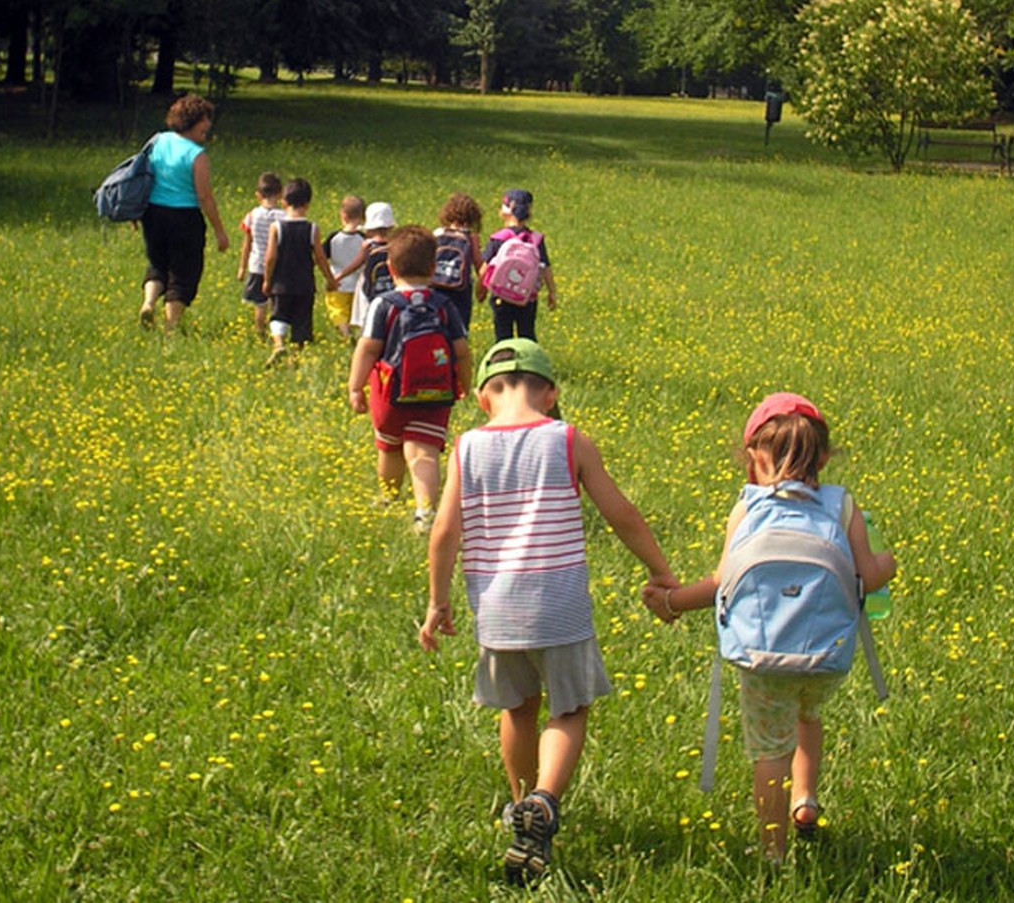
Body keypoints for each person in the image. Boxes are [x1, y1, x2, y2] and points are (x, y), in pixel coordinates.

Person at [419, 338, 677, 886]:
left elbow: (443, 532)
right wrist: (661, 571)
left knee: (516, 709)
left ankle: (521, 809)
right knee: (570, 709)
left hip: (497, 610)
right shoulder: (567, 439)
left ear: (483, 398)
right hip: (558, 605)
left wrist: (438, 600)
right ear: (551, 394)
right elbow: (621, 514)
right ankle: (545, 800)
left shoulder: (466, 447)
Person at [642, 392, 896, 862]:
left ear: (753, 457)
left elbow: (720, 583)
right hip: (826, 655)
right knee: (807, 715)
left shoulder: (747, 508)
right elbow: (867, 577)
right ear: (824, 457)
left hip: (759, 658)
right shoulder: (842, 506)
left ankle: (773, 853)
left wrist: (672, 601)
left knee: (770, 751)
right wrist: (889, 563)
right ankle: (806, 799)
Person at [347, 225, 472, 531]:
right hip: (436, 392)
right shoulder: (444, 306)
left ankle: (389, 498)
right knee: (424, 452)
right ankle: (425, 512)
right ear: (433, 268)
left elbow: (368, 349)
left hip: (390, 393)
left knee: (389, 447)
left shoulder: (384, 304)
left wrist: (355, 387)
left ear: (390, 267)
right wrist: (464, 384)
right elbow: (462, 351)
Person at [137, 94, 231, 331]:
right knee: (183, 272)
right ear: (192, 121)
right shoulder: (196, 155)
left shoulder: (158, 141)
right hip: (184, 218)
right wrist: (220, 231)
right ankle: (171, 327)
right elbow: (204, 197)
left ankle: (148, 302)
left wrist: (136, 211)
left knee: (158, 264)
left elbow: (142, 177)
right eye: (204, 120)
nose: (208, 125)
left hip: (152, 214)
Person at [261, 178, 338, 367]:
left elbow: (270, 257)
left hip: (281, 284)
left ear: (283, 202)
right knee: (302, 322)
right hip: (304, 285)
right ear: (307, 204)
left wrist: (267, 280)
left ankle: (279, 345)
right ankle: (295, 358)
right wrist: (330, 279)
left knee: (278, 315)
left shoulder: (276, 227)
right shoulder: (312, 229)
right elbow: (320, 257)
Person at [479, 189, 556, 343]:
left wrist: (481, 290)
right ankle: (529, 358)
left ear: (507, 210)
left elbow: (484, 269)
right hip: (527, 296)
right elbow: (545, 267)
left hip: (501, 295)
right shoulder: (535, 239)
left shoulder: (498, 238)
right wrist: (551, 292)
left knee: (503, 335)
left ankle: (504, 358)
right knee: (527, 334)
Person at [236, 172, 285, 339]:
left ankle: (260, 333)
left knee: (260, 304)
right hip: (279, 266)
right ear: (280, 194)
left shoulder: (252, 215)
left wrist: (242, 267)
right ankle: (277, 334)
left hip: (257, 266)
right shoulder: (284, 217)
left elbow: (247, 243)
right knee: (277, 302)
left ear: (258, 195)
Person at [432, 191, 483, 330]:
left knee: (437, 324)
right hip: (461, 289)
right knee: (459, 327)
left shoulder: (438, 233)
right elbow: (479, 265)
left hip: (437, 286)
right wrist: (482, 287)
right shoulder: (471, 237)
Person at [345, 201, 396, 333]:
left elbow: (357, 263)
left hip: (369, 289)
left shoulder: (367, 245)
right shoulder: (395, 245)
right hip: (391, 288)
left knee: (368, 321)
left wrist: (339, 276)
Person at [322, 195, 366, 339]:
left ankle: (345, 334)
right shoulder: (364, 238)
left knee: (338, 311)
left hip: (338, 283)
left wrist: (328, 277)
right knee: (355, 311)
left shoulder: (333, 238)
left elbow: (321, 257)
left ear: (343, 216)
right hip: (358, 284)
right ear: (363, 217)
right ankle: (357, 334)